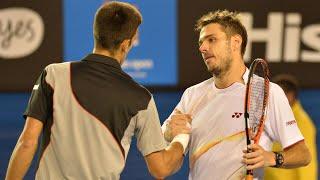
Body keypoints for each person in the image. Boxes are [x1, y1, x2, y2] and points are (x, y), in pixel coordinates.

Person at [5, 2, 191, 180]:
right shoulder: (141, 98)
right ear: (126, 44)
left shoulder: (53, 74)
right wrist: (181, 137)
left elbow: (27, 143)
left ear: (96, 33)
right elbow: (161, 168)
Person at [162, 10, 311, 179]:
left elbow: (303, 154)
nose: (203, 48)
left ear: (235, 42)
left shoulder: (268, 93)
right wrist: (168, 132)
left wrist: (271, 157)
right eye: (201, 43)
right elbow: (163, 157)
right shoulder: (192, 95)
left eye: (212, 40)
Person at [264, 74, 318, 180]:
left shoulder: (301, 122)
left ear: (290, 95)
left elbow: (306, 162)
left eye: (278, 95)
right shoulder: (275, 116)